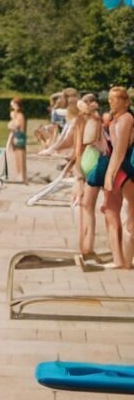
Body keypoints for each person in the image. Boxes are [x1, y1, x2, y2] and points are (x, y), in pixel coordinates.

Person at [102, 86, 134, 269]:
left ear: (125, 102)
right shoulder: (118, 119)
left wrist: (109, 175)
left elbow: (120, 151)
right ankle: (124, 261)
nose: (111, 102)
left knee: (130, 216)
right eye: (110, 99)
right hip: (123, 168)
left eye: (115, 99)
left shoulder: (126, 119)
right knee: (126, 213)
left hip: (127, 168)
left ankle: (126, 263)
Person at [75, 94, 105, 264]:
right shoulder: (87, 120)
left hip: (92, 162)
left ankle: (88, 247)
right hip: (90, 160)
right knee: (87, 206)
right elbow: (79, 149)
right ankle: (86, 247)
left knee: (87, 207)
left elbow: (83, 144)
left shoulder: (93, 120)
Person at [7, 98, 28, 183]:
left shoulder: (20, 116)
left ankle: (22, 175)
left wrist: (13, 116)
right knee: (17, 156)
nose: (12, 108)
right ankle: (19, 174)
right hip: (16, 136)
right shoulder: (17, 116)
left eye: (13, 106)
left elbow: (15, 126)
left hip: (19, 137)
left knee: (20, 156)